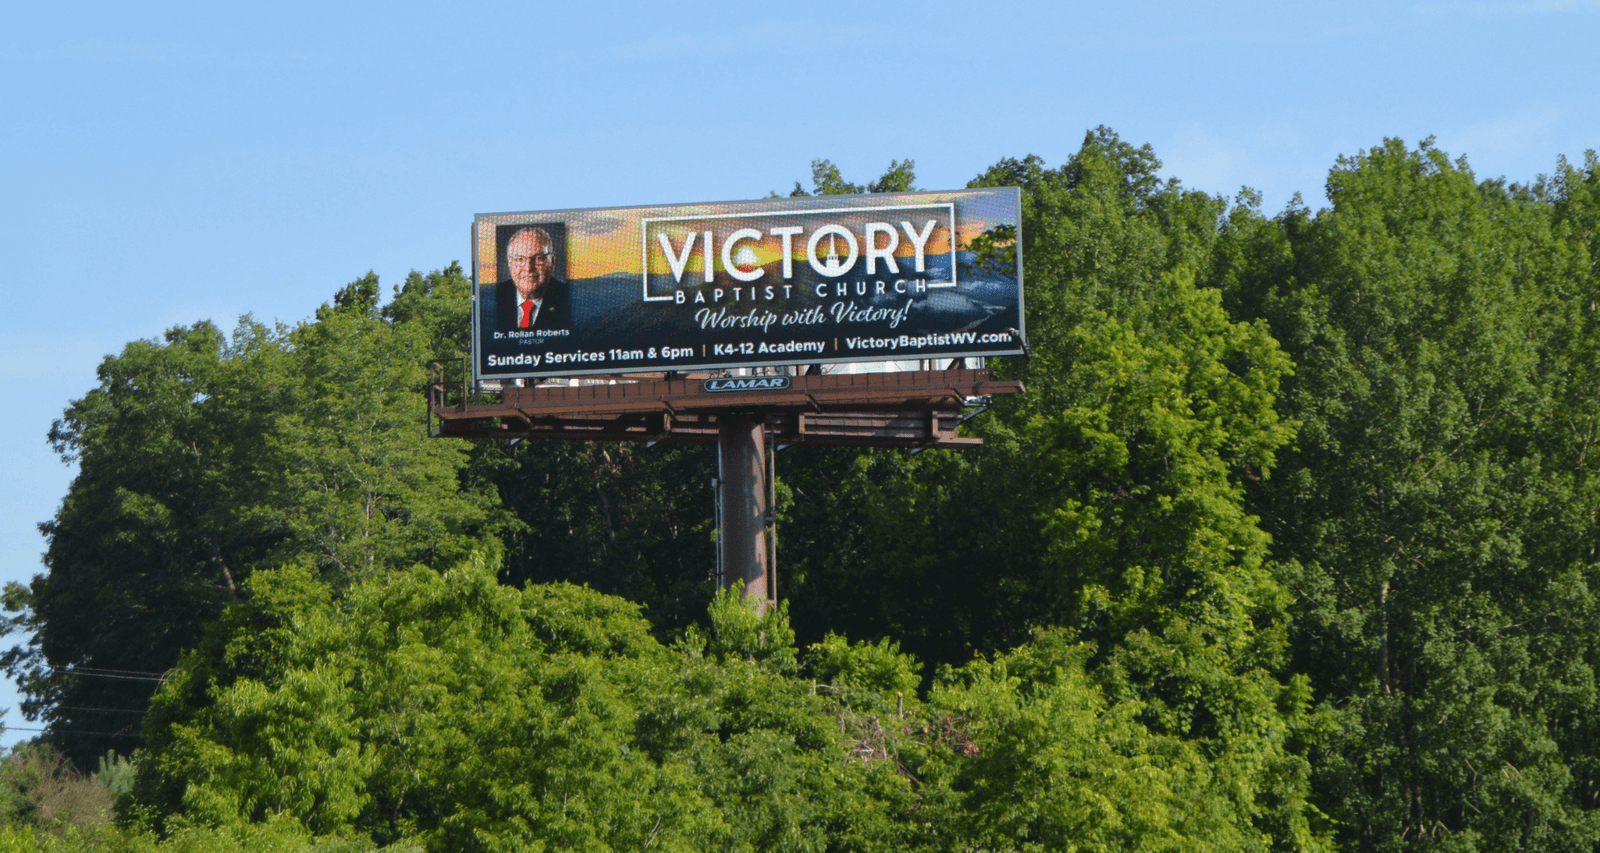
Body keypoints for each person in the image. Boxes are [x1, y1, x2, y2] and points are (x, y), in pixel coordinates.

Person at [495, 226, 570, 331]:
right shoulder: (494, 296)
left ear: (552, 262)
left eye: (538, 259)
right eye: (519, 259)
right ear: (509, 263)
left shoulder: (569, 299)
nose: (528, 268)